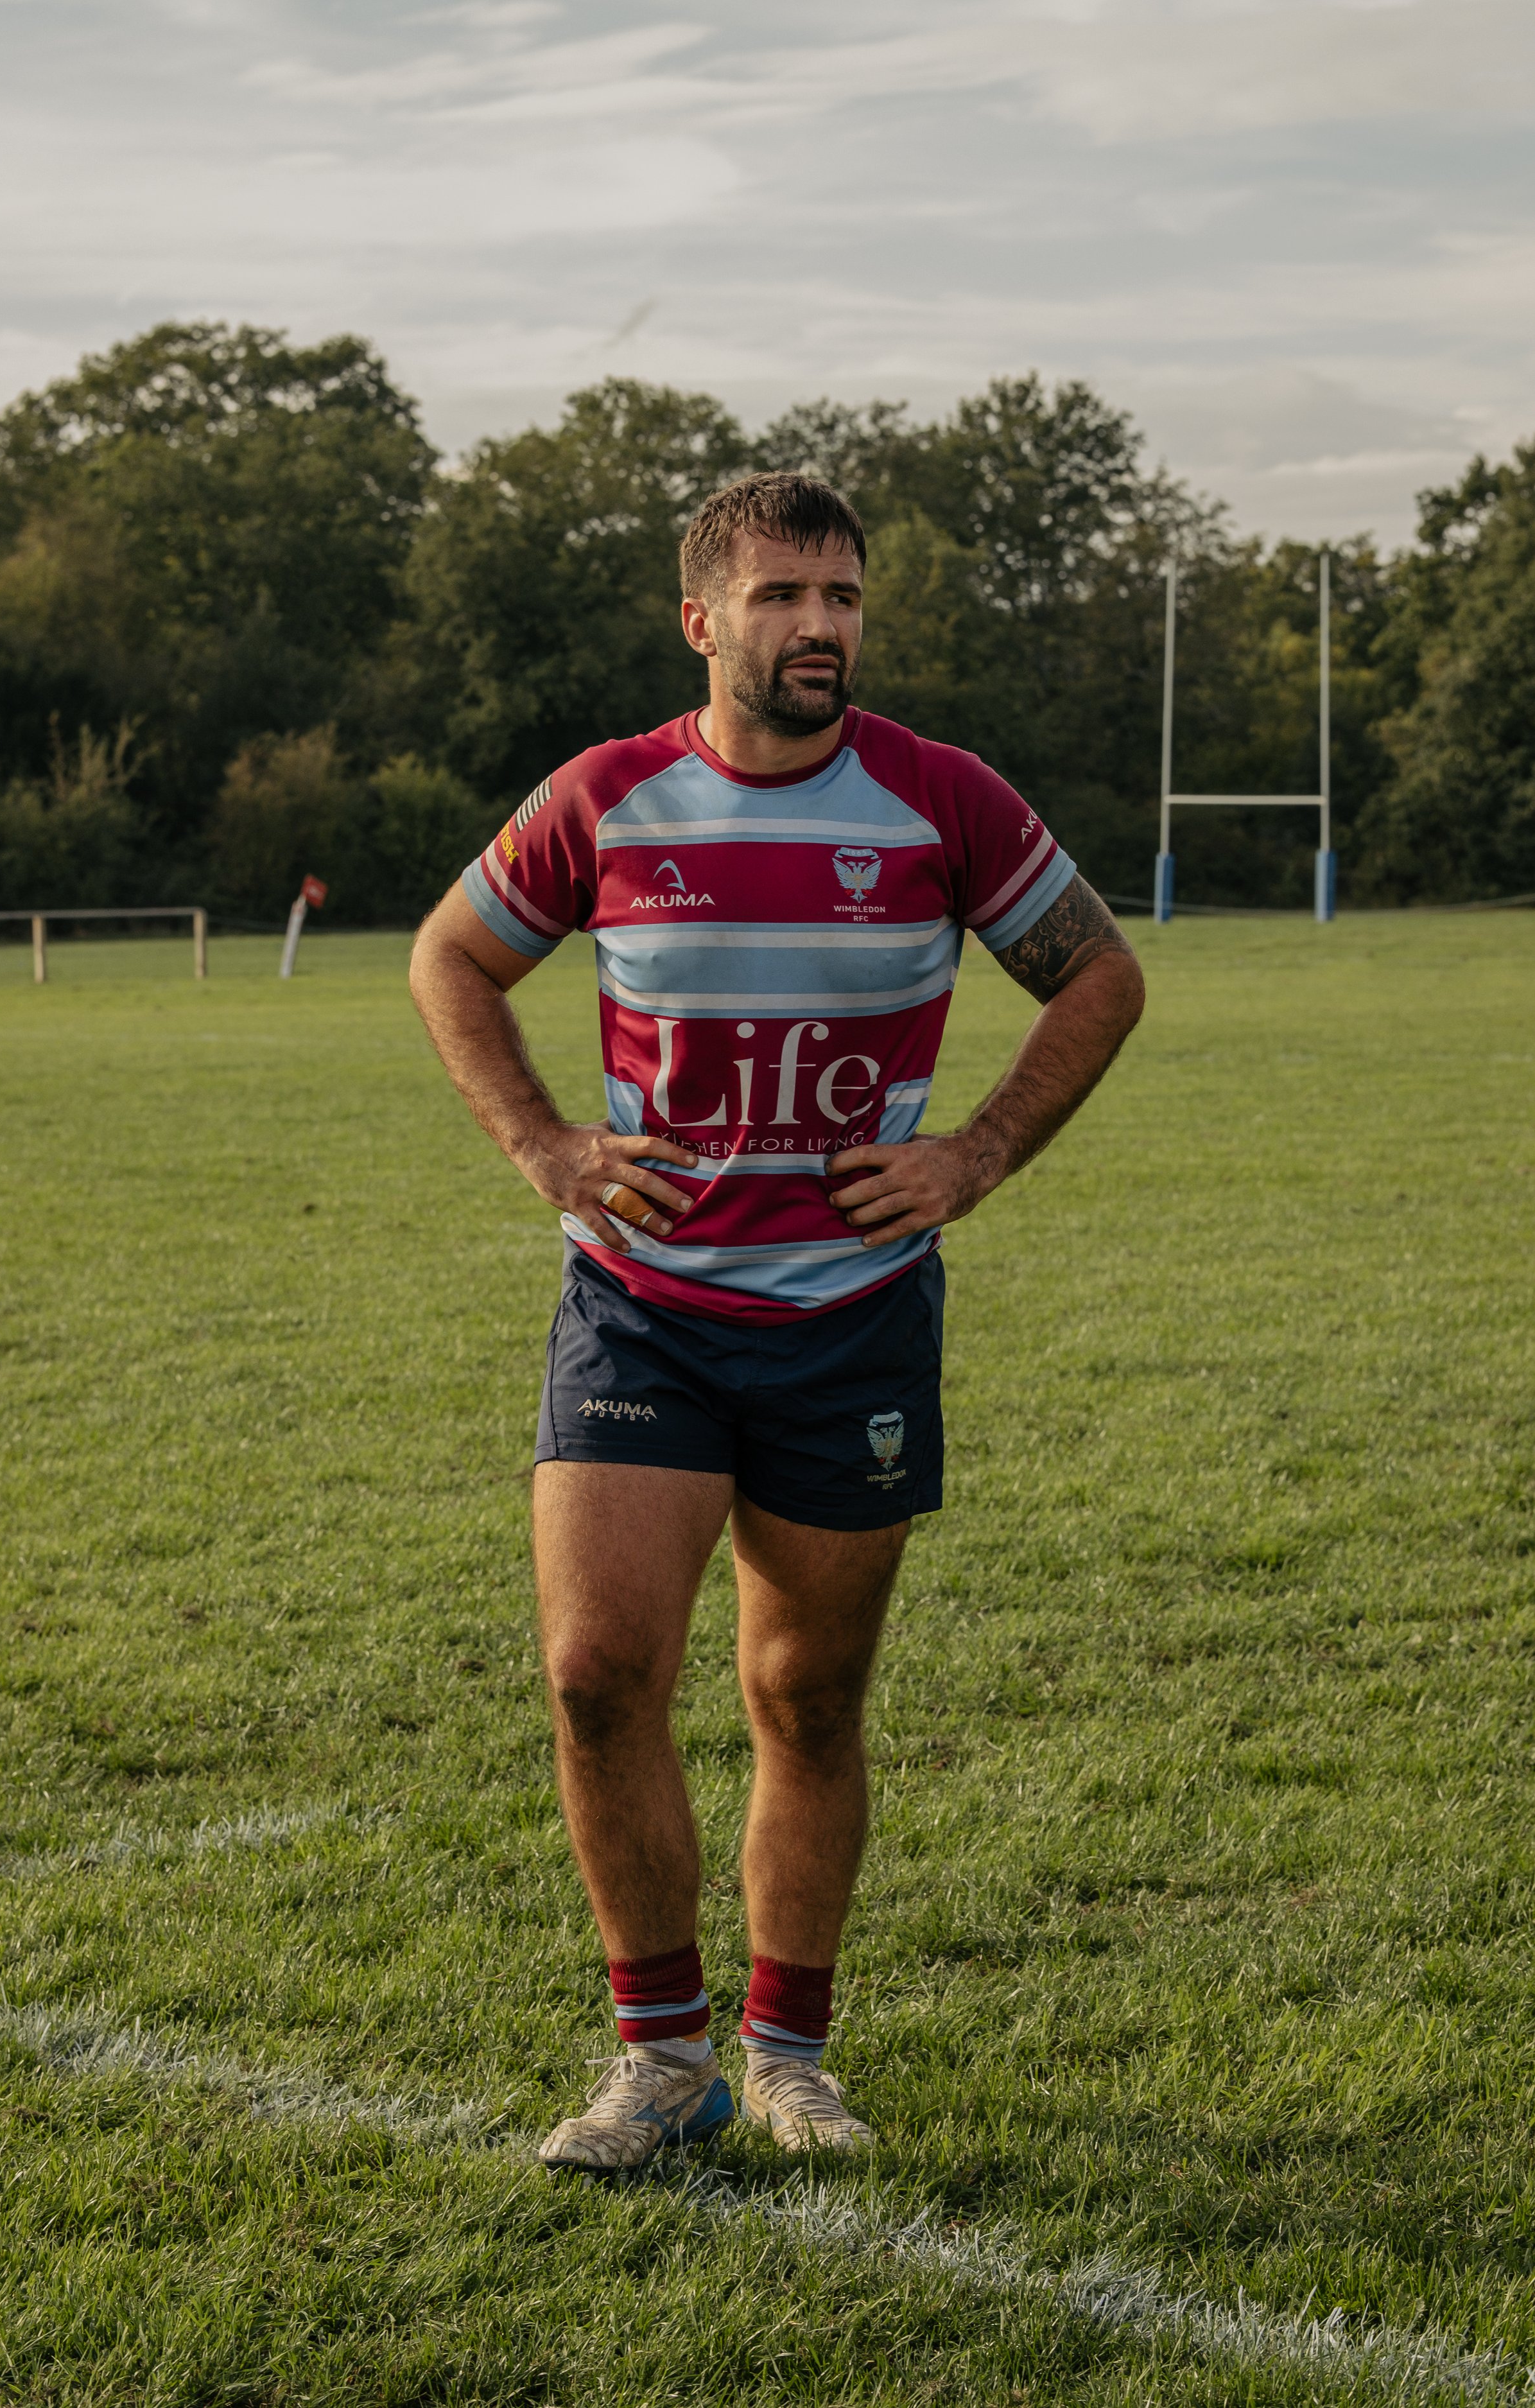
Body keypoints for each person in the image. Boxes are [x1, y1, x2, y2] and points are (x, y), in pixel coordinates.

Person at [409, 473, 1145, 2173]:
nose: (818, 624)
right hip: (642, 1307)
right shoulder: (606, 799)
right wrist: (540, 1142)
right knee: (598, 1676)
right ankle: (660, 2063)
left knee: (804, 1697)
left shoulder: (940, 802)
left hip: (849, 1319)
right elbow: (454, 957)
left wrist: (975, 1151)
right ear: (703, 621)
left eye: (842, 596)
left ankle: (790, 2056)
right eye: (780, 596)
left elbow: (1098, 973)